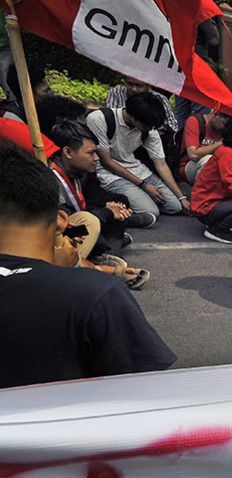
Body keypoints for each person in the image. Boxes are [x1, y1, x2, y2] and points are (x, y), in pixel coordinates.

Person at [0, 143, 174, 389]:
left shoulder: (84, 180)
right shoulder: (96, 294)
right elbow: (146, 391)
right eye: (91, 153)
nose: (95, 158)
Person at [47, 121, 145, 281]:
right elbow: (66, 227)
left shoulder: (80, 170)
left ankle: (108, 253)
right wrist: (105, 212)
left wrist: (109, 208)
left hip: (79, 220)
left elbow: (92, 199)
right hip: (63, 234)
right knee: (95, 225)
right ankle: (100, 254)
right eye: (91, 153)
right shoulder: (50, 178)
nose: (97, 158)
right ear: (68, 152)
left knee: (118, 204)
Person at [87, 91, 189, 227]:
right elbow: (107, 162)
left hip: (137, 170)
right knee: (151, 211)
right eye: (147, 126)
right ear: (133, 118)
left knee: (174, 206)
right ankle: (119, 210)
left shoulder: (149, 128)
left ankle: (136, 200)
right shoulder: (100, 119)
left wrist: (182, 198)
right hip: (109, 174)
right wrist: (143, 186)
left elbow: (161, 164)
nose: (150, 129)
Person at [174, 18, 218, 127]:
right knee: (200, 114)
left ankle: (182, 141)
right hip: (197, 66)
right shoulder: (198, 10)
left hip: (179, 65)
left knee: (182, 113)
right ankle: (195, 141)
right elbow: (214, 39)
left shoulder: (176, 9)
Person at [105, 77, 178, 135]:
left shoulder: (159, 99)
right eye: (130, 84)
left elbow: (173, 127)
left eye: (139, 85)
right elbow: (111, 117)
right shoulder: (117, 92)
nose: (134, 89)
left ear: (148, 86)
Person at [178, 110, 227, 184]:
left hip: (219, 167)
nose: (224, 128)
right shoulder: (195, 121)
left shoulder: (227, 130)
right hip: (190, 165)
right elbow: (193, 154)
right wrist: (220, 143)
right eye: (224, 123)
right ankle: (201, 193)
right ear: (215, 115)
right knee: (209, 161)